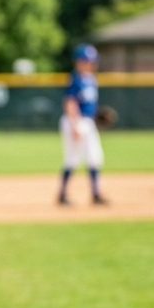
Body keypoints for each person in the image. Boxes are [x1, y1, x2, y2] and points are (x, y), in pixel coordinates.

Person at [58, 43, 108, 206]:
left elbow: (88, 104)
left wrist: (97, 115)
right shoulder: (76, 79)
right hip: (75, 121)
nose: (89, 64)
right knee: (72, 158)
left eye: (92, 61)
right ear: (77, 62)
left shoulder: (92, 80)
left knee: (95, 156)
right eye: (86, 61)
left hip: (88, 121)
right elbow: (70, 102)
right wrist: (74, 125)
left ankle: (95, 194)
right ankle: (62, 194)